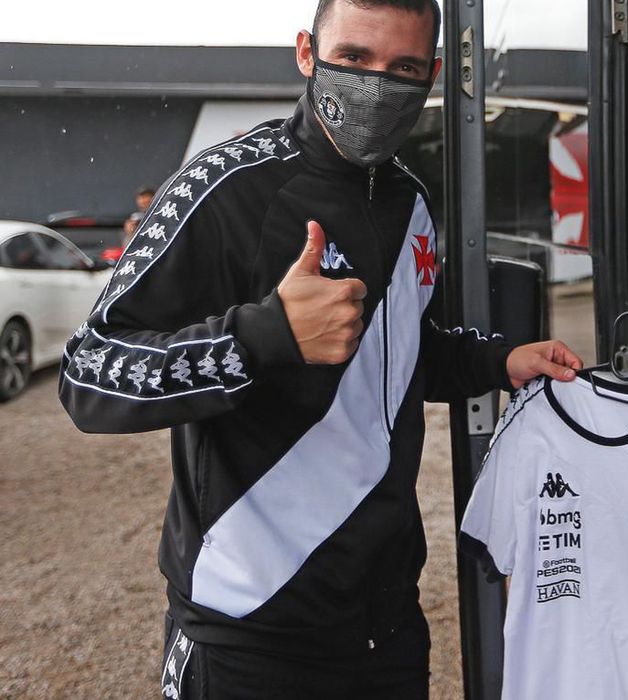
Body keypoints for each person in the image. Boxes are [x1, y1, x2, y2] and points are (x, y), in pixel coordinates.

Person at [59, 1, 582, 697]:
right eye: (354, 59)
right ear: (307, 53)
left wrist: (495, 362)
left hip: (386, 627)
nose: (375, 86)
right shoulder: (224, 188)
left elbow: (396, 358)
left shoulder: (413, 204)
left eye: (401, 69)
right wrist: (264, 336)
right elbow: (88, 374)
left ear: (429, 74)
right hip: (247, 632)